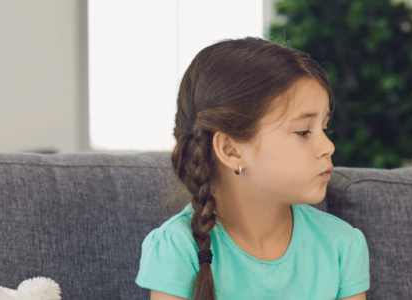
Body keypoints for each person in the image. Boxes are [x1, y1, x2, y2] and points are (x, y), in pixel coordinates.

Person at [137, 37, 369, 300]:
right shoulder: (176, 248)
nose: (328, 146)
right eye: (304, 131)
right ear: (231, 150)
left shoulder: (343, 244)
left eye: (325, 128)